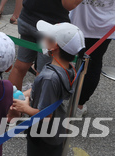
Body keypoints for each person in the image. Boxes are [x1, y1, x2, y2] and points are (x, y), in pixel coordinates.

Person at [11, 21, 85, 156]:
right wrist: (26, 94)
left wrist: (24, 108)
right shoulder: (69, 68)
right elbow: (46, 91)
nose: (43, 38)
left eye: (47, 36)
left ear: (54, 45)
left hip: (43, 136)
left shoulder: (49, 77)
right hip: (56, 130)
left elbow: (45, 115)